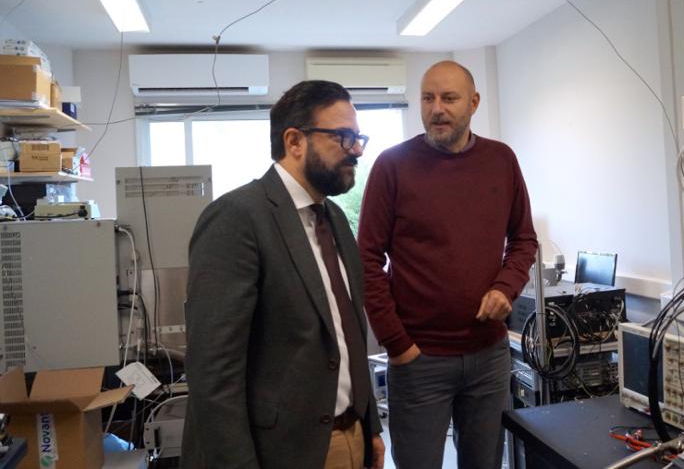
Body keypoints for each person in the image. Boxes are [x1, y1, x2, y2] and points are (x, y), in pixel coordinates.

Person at [182, 80, 385, 469]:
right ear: (295, 141)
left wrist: (370, 425)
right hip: (281, 452)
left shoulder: (334, 218)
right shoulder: (237, 218)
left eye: (359, 138)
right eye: (344, 137)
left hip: (351, 436)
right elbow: (213, 373)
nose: (357, 150)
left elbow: (348, 334)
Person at [359, 60, 538, 469]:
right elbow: (366, 259)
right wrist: (397, 344)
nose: (436, 108)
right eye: (427, 98)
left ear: (473, 103)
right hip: (418, 359)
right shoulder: (392, 166)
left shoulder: (501, 160)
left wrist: (506, 287)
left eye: (449, 98)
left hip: (488, 356)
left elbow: (524, 239)